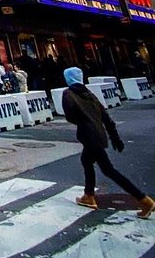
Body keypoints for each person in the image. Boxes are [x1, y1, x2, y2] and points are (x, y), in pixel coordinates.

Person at [62, 66, 153, 217]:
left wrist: (83, 121)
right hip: (98, 135)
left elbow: (70, 116)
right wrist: (114, 137)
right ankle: (88, 195)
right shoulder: (90, 94)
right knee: (86, 161)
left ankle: (143, 199)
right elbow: (106, 118)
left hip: (88, 136)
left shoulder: (69, 93)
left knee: (108, 170)